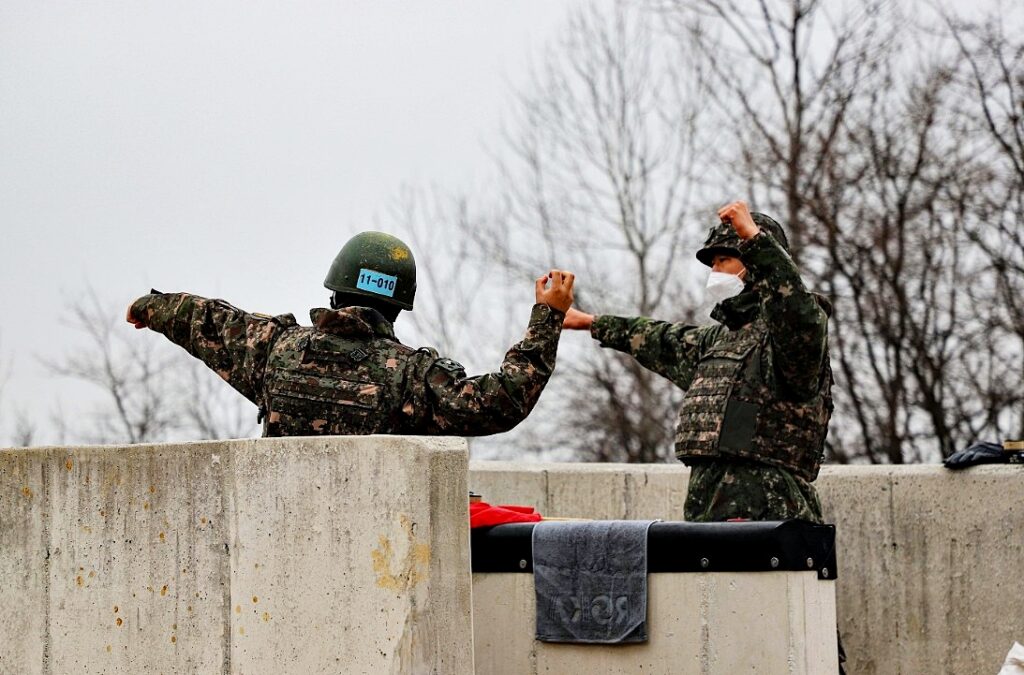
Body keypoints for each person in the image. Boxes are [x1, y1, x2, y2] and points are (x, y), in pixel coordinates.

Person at [126, 231, 574, 437]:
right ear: (398, 307)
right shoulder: (413, 377)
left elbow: (205, 319)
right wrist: (547, 316)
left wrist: (149, 307)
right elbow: (501, 402)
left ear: (335, 292)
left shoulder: (273, 349)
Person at [562, 201, 833, 523]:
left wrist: (754, 239)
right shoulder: (720, 339)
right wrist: (591, 322)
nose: (716, 271)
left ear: (755, 263)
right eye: (713, 263)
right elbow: (660, 339)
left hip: (772, 515)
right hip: (708, 514)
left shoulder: (789, 340)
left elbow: (796, 311)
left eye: (725, 260)